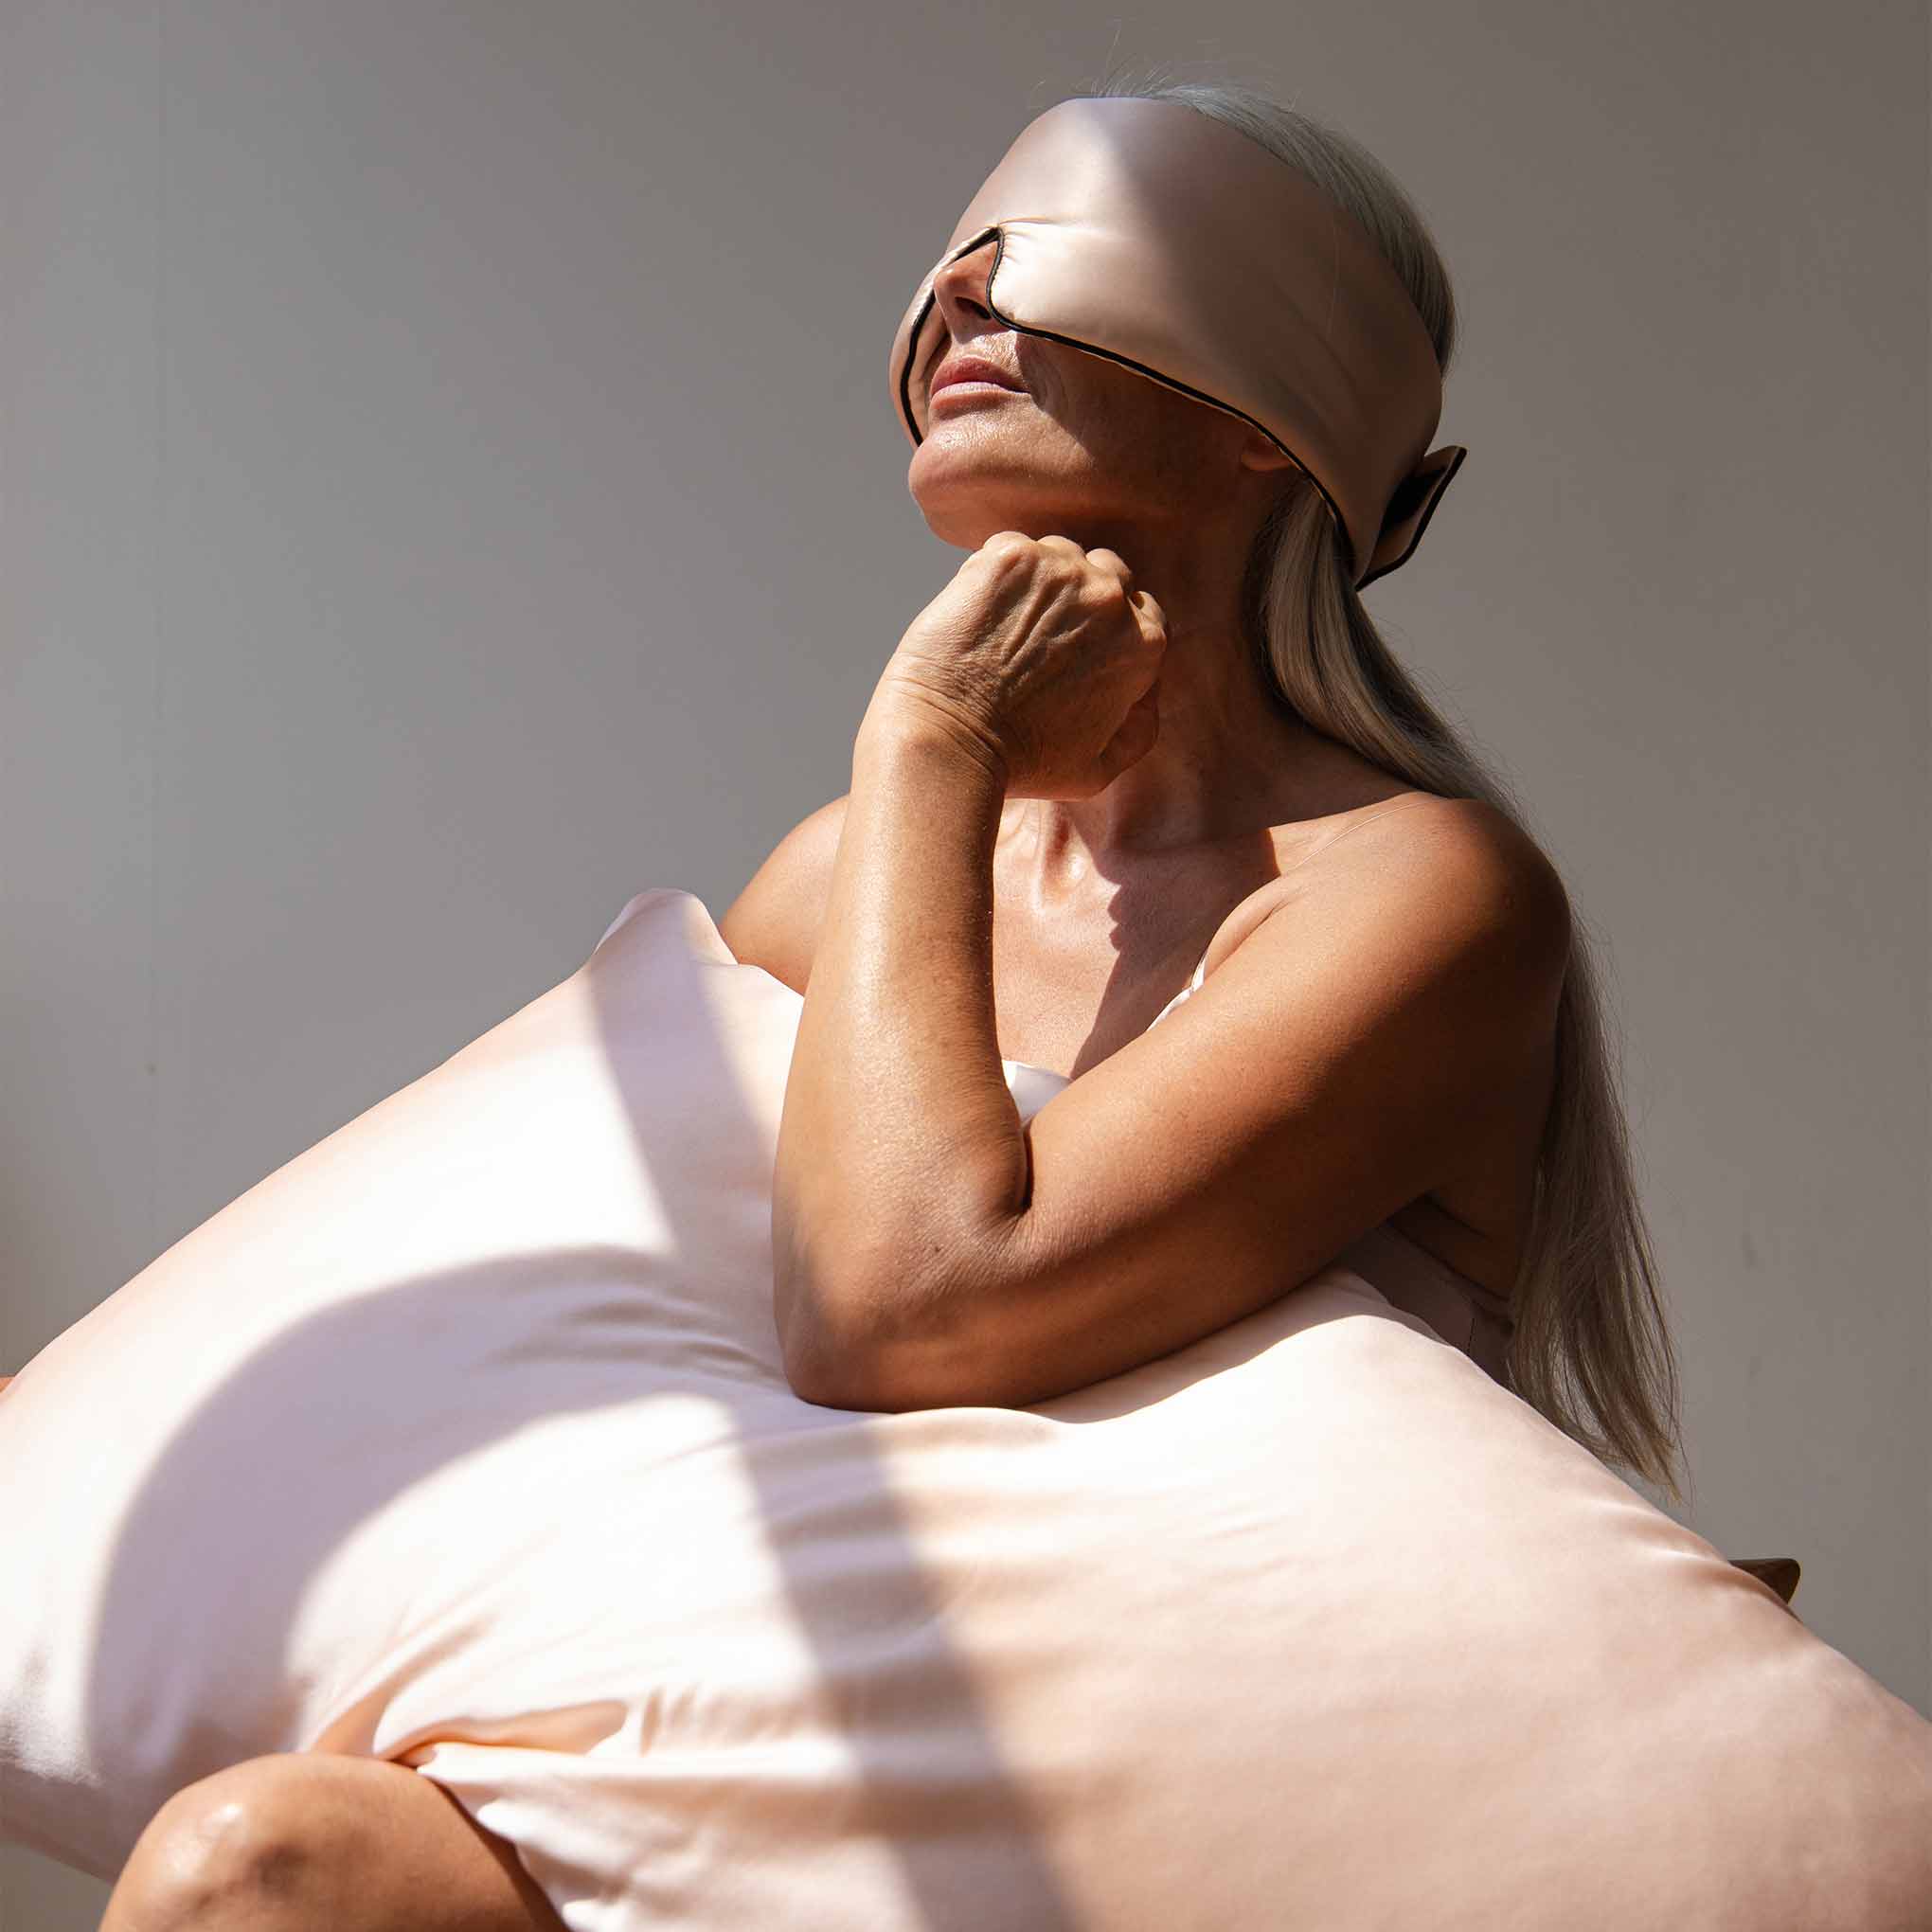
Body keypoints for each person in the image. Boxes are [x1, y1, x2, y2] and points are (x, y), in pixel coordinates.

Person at [95, 72, 1680, 1932]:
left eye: (1067, 255)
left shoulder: (1423, 900)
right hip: (776, 1749)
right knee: (252, 1877)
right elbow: (549, 1296)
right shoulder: (849, 879)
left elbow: (907, 1307)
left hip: (1183, 1817)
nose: (962, 301)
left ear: (1285, 421)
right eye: (960, 261)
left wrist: (929, 742)